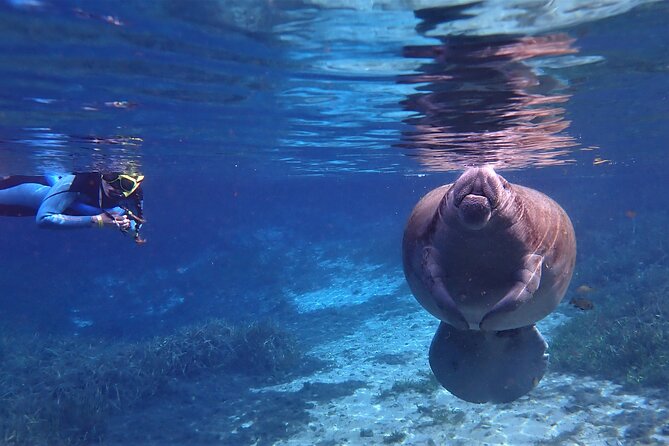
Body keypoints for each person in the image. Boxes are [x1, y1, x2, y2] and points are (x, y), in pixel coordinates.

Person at [0, 172, 146, 243]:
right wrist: (98, 220)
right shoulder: (80, 181)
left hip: (33, 207)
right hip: (18, 194)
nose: (113, 186)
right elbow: (43, 218)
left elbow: (135, 230)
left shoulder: (135, 195)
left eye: (125, 184)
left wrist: (123, 225)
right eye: (110, 175)